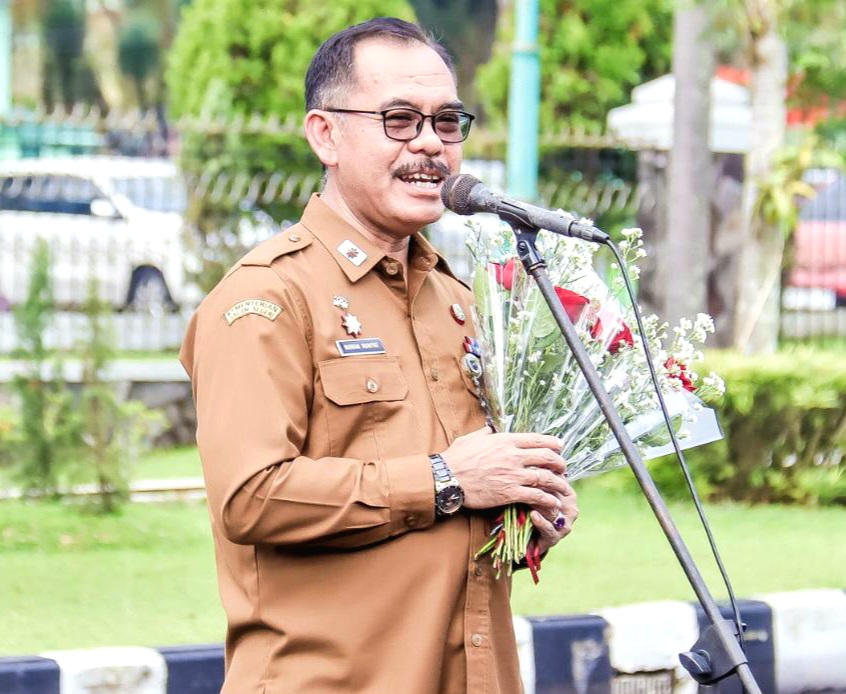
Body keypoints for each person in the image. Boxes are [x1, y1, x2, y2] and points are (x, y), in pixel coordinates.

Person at [179, 17, 578, 694]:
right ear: (325, 135)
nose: (429, 143)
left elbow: (457, 507)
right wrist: (446, 480)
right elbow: (250, 497)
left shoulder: (457, 302)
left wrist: (522, 513)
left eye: (446, 121)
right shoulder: (268, 297)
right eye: (398, 119)